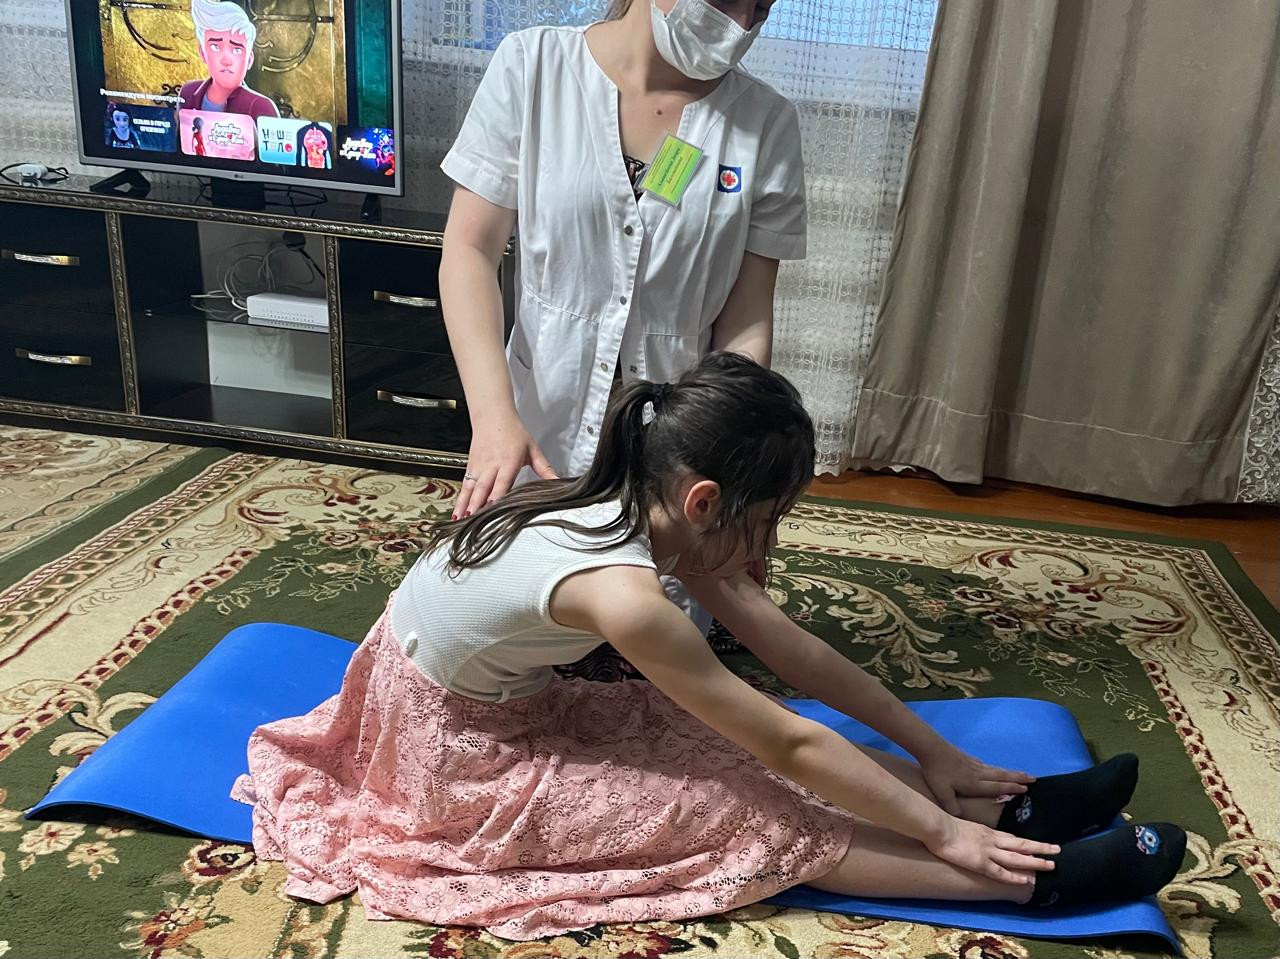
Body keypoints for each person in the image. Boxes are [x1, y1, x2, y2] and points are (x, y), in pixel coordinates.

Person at [232, 353, 1186, 940]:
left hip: (485, 704)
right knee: (741, 809)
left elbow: (796, 658)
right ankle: (1020, 882)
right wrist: (941, 838)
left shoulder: (641, 500)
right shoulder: (625, 591)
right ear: (706, 500)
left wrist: (940, 756)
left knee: (728, 733)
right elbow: (790, 742)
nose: (769, 547)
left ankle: (1009, 811)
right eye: (770, 521)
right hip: (452, 765)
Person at [439, 0, 807, 523]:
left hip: (672, 458)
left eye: (763, 7)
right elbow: (470, 251)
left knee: (649, 575)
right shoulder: (533, 66)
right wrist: (493, 417)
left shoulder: (766, 123)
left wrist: (722, 457)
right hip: (534, 434)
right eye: (726, 1)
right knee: (512, 568)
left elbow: (745, 319)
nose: (742, 24)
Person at [178, 0, 279, 121]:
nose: (226, 60)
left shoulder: (261, 106)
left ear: (249, 60)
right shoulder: (188, 92)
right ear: (203, 54)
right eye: (215, 47)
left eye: (237, 50)